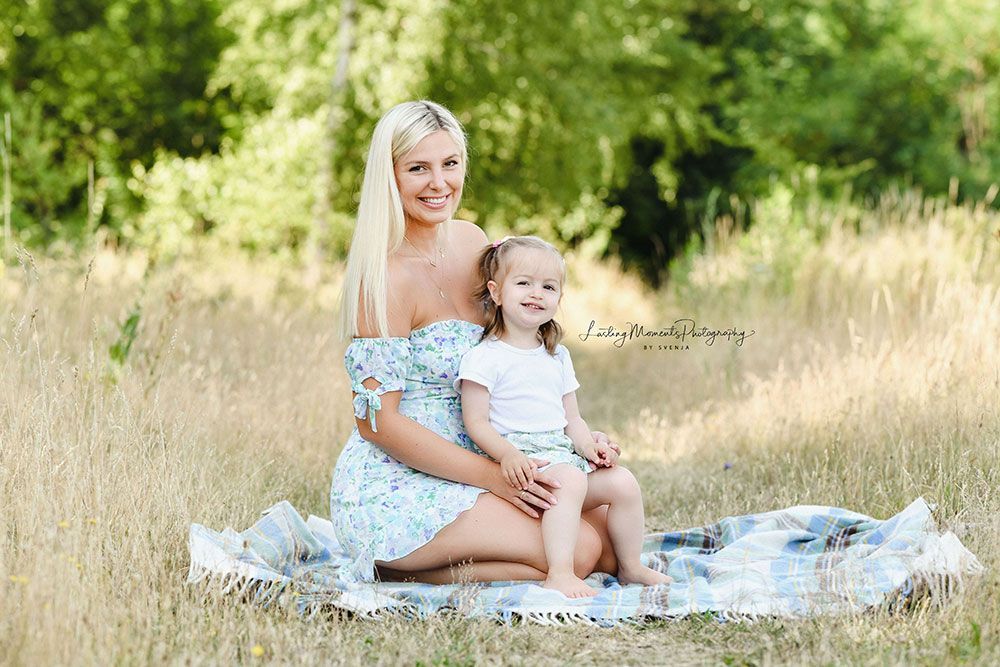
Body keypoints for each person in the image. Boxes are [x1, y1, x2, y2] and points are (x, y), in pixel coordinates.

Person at [332, 100, 621, 584]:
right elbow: (377, 423)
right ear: (390, 176)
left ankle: (464, 562)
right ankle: (402, 568)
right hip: (402, 479)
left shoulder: (471, 242)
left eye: (450, 164)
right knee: (581, 549)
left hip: (493, 445)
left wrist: (575, 436)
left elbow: (515, 354)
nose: (439, 183)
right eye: (418, 168)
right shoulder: (383, 278)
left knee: (610, 537)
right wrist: (493, 478)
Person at [456, 236, 673, 597]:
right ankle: (559, 573)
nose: (536, 294)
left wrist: (590, 448)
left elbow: (572, 419)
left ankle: (631, 566)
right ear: (496, 292)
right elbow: (475, 421)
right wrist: (508, 455)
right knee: (569, 481)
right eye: (523, 283)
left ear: (559, 297)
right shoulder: (484, 357)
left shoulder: (556, 356)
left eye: (548, 287)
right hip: (524, 467)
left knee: (622, 482)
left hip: (562, 459)